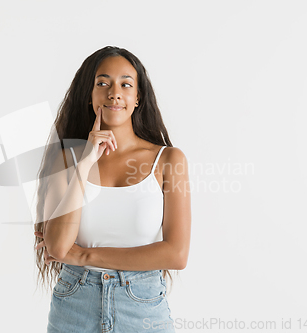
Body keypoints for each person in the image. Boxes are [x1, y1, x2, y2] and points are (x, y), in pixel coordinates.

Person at [33, 46, 191, 332]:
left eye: (125, 84)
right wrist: (85, 161)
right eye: (102, 83)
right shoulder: (66, 159)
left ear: (137, 97)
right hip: (74, 305)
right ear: (90, 95)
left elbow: (176, 254)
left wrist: (84, 255)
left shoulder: (168, 160)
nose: (114, 92)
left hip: (141, 306)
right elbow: (57, 247)